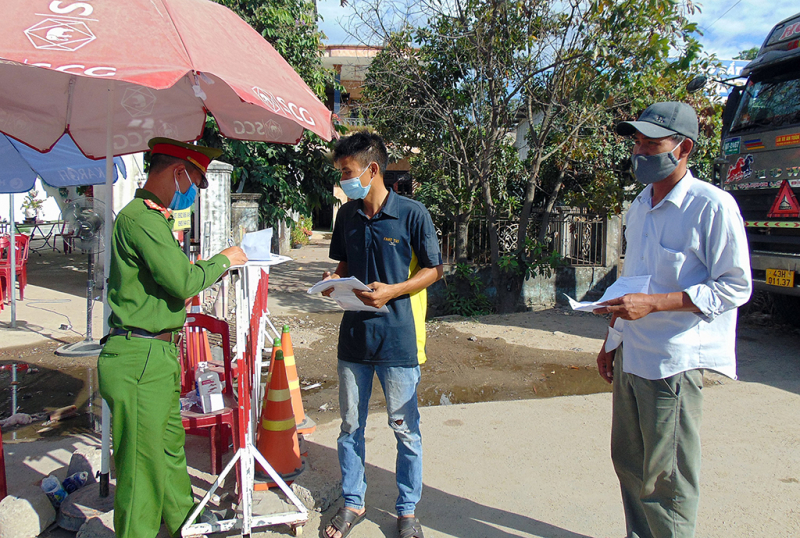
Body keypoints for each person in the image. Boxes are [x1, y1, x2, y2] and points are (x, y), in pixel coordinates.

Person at [594, 102, 752, 538]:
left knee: (667, 480)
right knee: (628, 462)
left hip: (672, 365)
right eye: (637, 142)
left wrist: (656, 304)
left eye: (652, 143)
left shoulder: (712, 207)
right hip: (631, 354)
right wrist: (611, 340)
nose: (640, 151)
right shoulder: (639, 206)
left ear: (684, 148)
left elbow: (735, 286)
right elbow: (633, 280)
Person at [97, 137, 248, 538]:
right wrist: (224, 260)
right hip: (137, 354)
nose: (193, 194)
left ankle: (186, 523)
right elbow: (181, 280)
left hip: (157, 353)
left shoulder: (155, 219)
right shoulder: (140, 219)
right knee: (140, 472)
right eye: (195, 182)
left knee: (168, 450)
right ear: (178, 171)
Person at [321, 131, 443, 538]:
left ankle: (407, 511)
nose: (344, 181)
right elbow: (342, 265)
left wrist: (393, 291)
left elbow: (433, 269)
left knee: (405, 430)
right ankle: (353, 501)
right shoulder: (347, 216)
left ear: (373, 170)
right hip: (353, 339)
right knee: (349, 427)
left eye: (347, 172)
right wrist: (330, 280)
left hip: (397, 340)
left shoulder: (412, 214)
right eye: (341, 173)